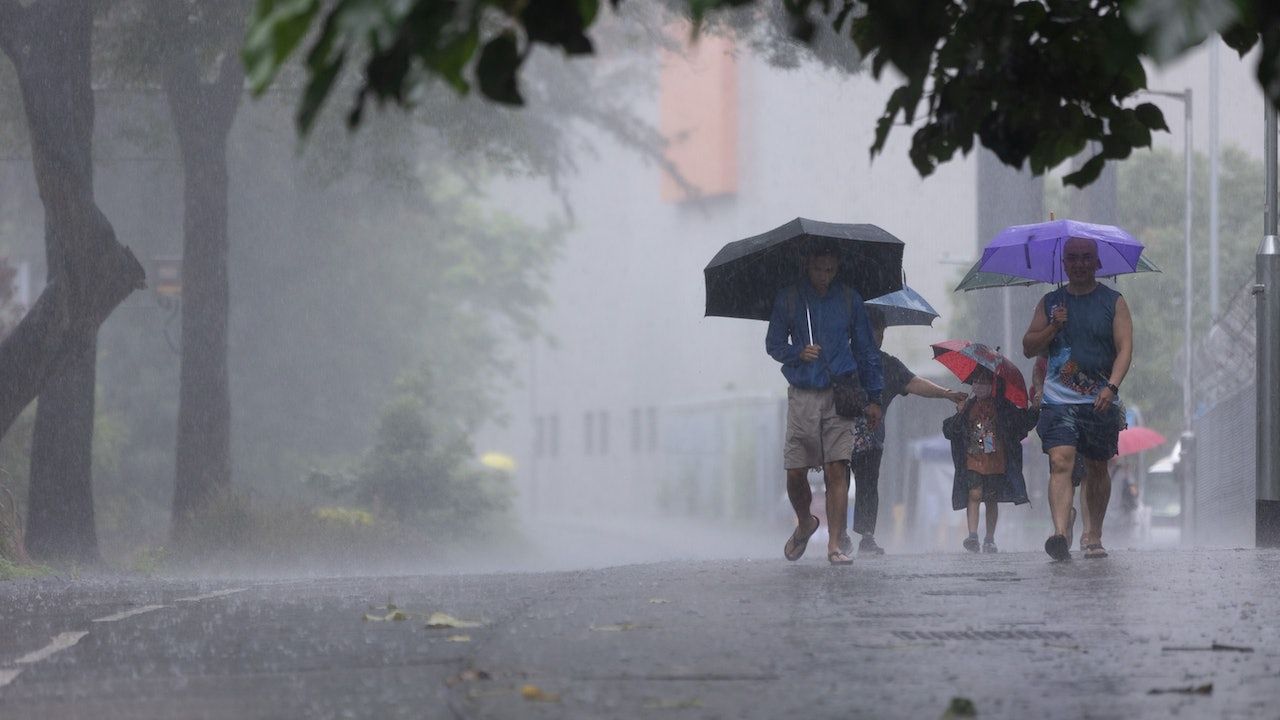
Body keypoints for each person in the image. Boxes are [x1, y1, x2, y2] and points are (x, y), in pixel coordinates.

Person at [766, 243, 884, 565]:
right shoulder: (790, 298)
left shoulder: (849, 299)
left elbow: (866, 349)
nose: (824, 276)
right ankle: (805, 521)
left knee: (837, 468)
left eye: (831, 270)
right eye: (819, 269)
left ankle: (834, 544)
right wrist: (797, 353)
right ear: (808, 264)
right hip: (803, 392)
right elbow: (773, 344)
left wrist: (875, 397)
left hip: (840, 393)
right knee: (795, 472)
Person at [1022, 237, 1134, 560]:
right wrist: (1053, 326)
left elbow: (1125, 348)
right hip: (1058, 401)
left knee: (1097, 467)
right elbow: (1029, 346)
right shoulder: (1050, 303)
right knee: (1060, 462)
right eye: (1073, 258)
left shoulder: (1113, 302)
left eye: (1087, 257)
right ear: (1064, 264)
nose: (1080, 263)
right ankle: (1059, 533)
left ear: (1097, 262)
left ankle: (1093, 534)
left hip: (1099, 400)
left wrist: (1111, 387)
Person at [838, 306, 968, 556]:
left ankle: (866, 536)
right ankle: (839, 533)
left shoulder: (888, 364)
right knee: (838, 483)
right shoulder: (843, 360)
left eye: (881, 332)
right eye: (873, 331)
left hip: (871, 440)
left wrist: (946, 394)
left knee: (868, 485)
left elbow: (915, 383)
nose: (879, 337)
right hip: (840, 436)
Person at [942, 366, 1037, 553]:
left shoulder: (1003, 406)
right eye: (976, 381)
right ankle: (972, 536)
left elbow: (1022, 423)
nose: (979, 385)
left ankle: (989, 538)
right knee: (974, 494)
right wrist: (960, 412)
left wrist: (1035, 409)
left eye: (984, 381)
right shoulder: (967, 406)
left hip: (996, 459)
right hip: (972, 457)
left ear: (993, 385)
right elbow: (949, 431)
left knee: (991, 498)